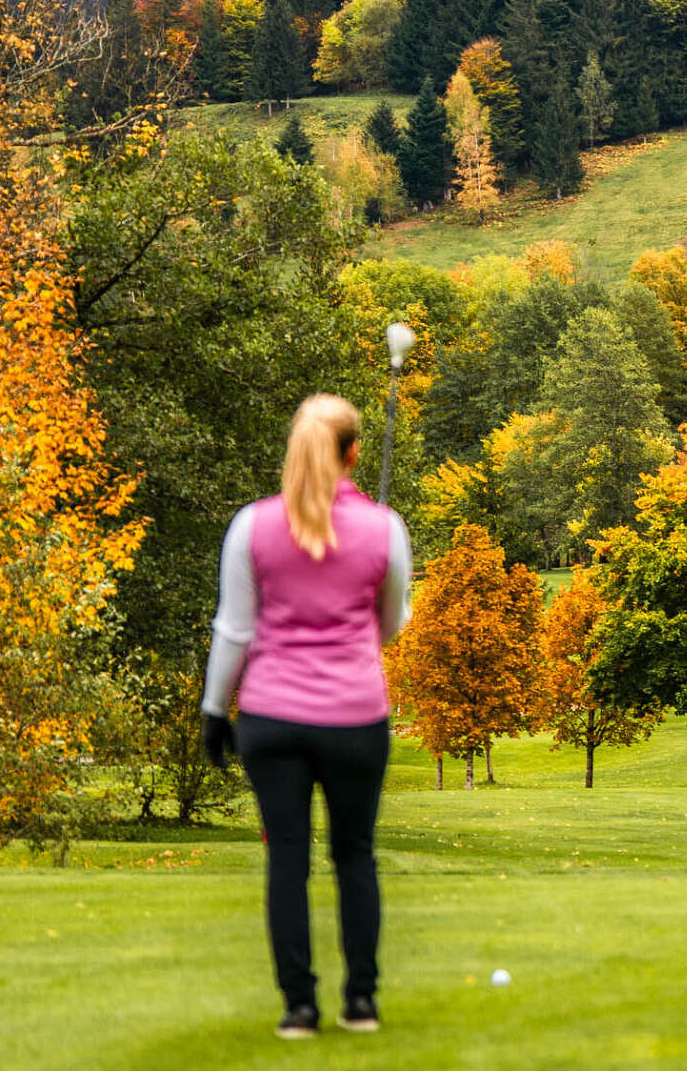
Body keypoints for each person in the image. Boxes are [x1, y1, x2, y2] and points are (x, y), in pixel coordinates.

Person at [200, 395, 414, 1039]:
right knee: (355, 855)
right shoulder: (385, 528)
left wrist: (215, 709)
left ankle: (299, 1006)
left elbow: (234, 630)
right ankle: (362, 1002)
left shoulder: (252, 526)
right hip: (354, 717)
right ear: (353, 452)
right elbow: (391, 624)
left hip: (272, 715)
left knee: (286, 858)